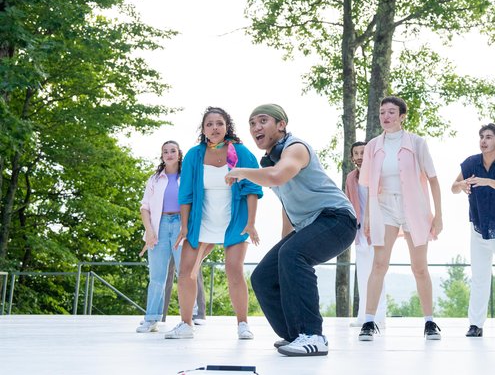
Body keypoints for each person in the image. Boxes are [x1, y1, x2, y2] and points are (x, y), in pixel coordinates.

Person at [230, 104, 357, 357]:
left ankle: (313, 335)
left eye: (263, 120)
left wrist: (241, 172)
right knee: (263, 276)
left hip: (337, 219)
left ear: (281, 125)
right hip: (309, 224)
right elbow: (288, 206)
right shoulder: (271, 160)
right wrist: (285, 248)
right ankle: (295, 335)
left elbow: (277, 177)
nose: (256, 127)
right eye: (252, 123)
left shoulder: (295, 148)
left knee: (292, 255)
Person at [165, 107, 263, 340]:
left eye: (219, 123)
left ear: (227, 126)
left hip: (235, 220)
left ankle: (242, 324)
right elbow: (186, 194)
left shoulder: (238, 152)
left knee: (234, 270)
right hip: (202, 222)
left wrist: (251, 223)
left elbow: (252, 189)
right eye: (209, 124)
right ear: (203, 129)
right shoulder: (194, 155)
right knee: (186, 271)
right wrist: (185, 227)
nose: (215, 128)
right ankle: (186, 324)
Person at [358, 96, 444, 341]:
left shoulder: (417, 143)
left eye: (392, 112)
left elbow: (434, 180)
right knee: (379, 264)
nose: (386, 116)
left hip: (414, 208)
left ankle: (429, 321)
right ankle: (368, 321)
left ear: (402, 116)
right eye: (382, 112)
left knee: (419, 267)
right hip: (385, 207)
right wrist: (366, 217)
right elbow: (367, 185)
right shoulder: (373, 146)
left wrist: (438, 216)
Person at [451, 123, 495, 338]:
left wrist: (488, 182)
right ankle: (475, 324)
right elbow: (453, 187)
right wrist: (462, 184)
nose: (483, 140)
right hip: (478, 228)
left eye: (489, 137)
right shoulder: (471, 162)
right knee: (479, 277)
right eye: (481, 136)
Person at [136, 141, 184, 333]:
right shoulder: (154, 179)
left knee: (185, 275)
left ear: (179, 154)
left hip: (182, 225)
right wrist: (149, 231)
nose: (169, 154)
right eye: (165, 151)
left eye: (173, 151)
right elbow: (145, 207)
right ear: (162, 155)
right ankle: (152, 319)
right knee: (156, 276)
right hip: (160, 226)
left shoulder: (186, 176)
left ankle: (188, 319)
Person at [345, 140, 387, 327]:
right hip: (359, 231)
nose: (360, 156)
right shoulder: (350, 178)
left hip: (378, 229)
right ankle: (363, 316)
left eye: (363, 152)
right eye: (356, 153)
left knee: (378, 272)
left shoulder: (377, 175)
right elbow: (348, 203)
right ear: (352, 157)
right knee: (362, 274)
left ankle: (379, 316)